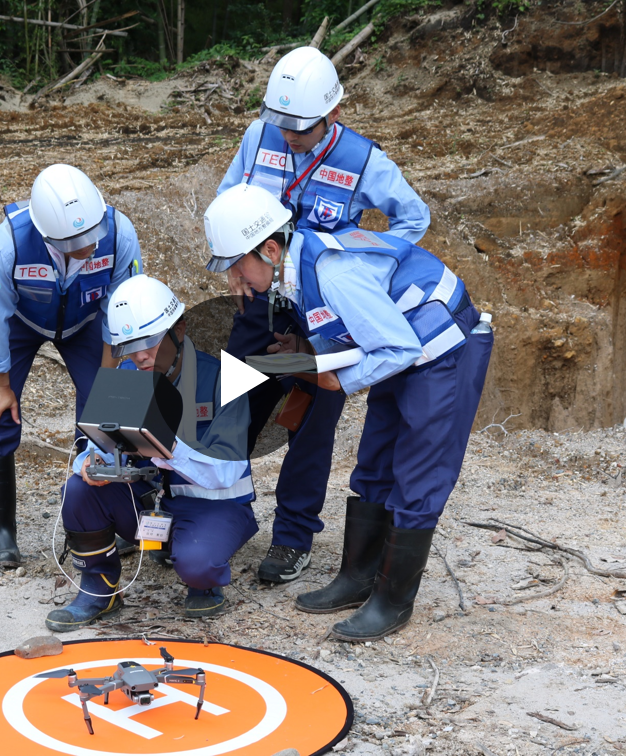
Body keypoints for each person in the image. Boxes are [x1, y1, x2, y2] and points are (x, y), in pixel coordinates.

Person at [202, 184, 492, 641]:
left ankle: (393, 603)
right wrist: (306, 348)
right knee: (375, 460)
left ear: (271, 249)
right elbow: (348, 326)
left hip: (440, 351)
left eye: (238, 264)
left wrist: (341, 380)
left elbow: (400, 345)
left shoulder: (331, 272)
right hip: (402, 350)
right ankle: (357, 578)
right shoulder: (294, 271)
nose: (236, 277)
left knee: (417, 473)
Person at [216, 46, 431, 584]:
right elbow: (226, 201)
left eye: (302, 126)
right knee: (225, 401)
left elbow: (414, 218)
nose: (288, 135)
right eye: (280, 122)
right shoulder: (257, 137)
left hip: (322, 311)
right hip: (262, 301)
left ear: (334, 113)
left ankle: (292, 537)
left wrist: (360, 269)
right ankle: (216, 512)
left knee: (311, 422)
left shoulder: (364, 161)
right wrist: (234, 264)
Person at [45, 275, 257, 631]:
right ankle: (100, 589)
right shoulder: (128, 375)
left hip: (217, 505)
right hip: (152, 500)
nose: (140, 354)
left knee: (197, 563)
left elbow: (228, 472)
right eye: (128, 344)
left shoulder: (224, 377)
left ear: (181, 329)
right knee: (79, 490)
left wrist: (170, 449)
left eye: (150, 340)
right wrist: (90, 463)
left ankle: (203, 578)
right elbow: (97, 443)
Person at [0, 164, 143, 569]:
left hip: (89, 323)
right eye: (76, 242)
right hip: (21, 324)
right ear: (47, 235)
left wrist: (107, 388)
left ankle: (99, 518)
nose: (90, 246)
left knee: (116, 408)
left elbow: (120, 314)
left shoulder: (120, 235)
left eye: (93, 234)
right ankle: (1, 535)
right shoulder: (9, 244)